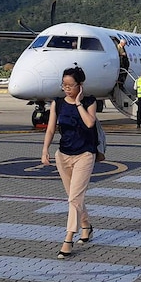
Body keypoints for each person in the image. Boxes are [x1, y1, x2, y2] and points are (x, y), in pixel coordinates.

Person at [41, 66, 97, 259]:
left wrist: (79, 103)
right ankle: (86, 226)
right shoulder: (58, 103)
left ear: (80, 86)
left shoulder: (89, 102)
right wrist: (45, 150)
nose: (66, 88)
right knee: (74, 196)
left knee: (73, 198)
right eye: (63, 85)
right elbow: (50, 129)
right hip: (63, 155)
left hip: (85, 155)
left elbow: (90, 123)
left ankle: (68, 238)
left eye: (70, 85)